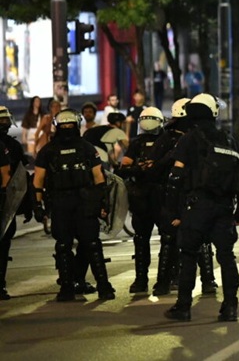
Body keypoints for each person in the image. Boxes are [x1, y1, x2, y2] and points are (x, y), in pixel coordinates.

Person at [164, 94, 239, 322]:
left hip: (197, 207)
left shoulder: (189, 139)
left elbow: (176, 176)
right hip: (224, 208)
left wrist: (173, 211)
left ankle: (183, 307)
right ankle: (230, 307)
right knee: (226, 257)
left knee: (189, 254)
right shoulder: (229, 139)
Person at [32, 109, 115, 302]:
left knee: (65, 246)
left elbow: (38, 181)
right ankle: (102, 287)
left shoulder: (48, 151)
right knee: (91, 244)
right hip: (83, 202)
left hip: (63, 204)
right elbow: (99, 178)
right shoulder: (86, 148)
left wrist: (38, 205)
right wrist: (103, 203)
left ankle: (69, 288)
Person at [140, 97, 216, 297]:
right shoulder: (172, 139)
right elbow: (153, 168)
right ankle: (165, 282)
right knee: (172, 238)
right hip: (175, 194)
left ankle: (205, 280)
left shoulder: (196, 138)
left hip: (188, 194)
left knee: (196, 238)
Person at [115, 107, 166, 294]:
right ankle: (162, 279)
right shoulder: (163, 141)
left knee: (142, 240)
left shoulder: (139, 143)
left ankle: (143, 279)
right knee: (164, 239)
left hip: (146, 197)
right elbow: (124, 167)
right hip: (156, 197)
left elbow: (124, 167)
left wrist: (138, 169)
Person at [0, 106, 23, 299]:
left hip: (6, 201)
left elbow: (19, 178)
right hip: (4, 199)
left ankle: (0, 284)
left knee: (4, 244)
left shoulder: (14, 147)